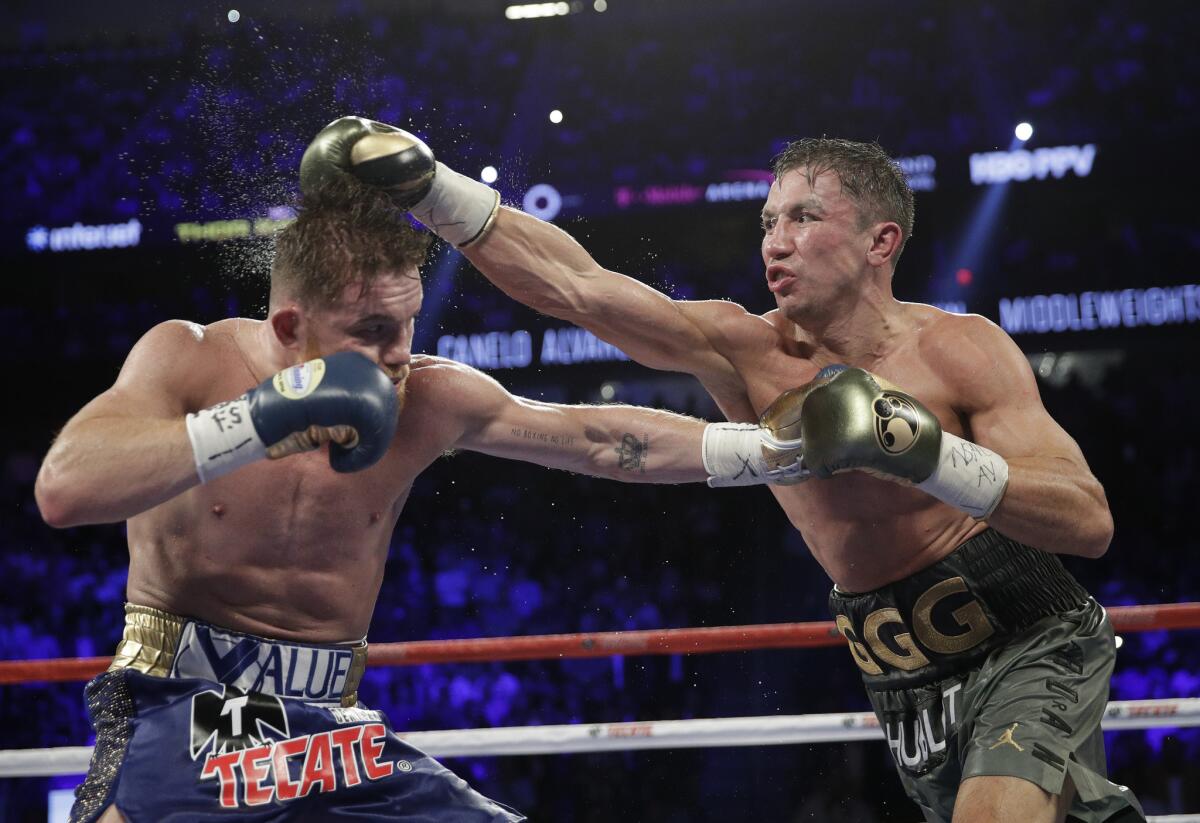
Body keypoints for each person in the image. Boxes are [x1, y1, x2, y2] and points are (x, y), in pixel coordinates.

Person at [307, 117, 1147, 823]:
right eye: (767, 221)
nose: (776, 244)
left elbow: (1087, 519)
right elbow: (578, 287)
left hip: (1026, 631)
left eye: (805, 219)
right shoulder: (741, 347)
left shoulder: (962, 349)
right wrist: (431, 190)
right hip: (904, 672)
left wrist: (928, 452)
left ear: (879, 242)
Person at [33, 175, 809, 821]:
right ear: (290, 325)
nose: (399, 355)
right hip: (185, 705)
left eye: (406, 324)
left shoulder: (429, 395)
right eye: (371, 329)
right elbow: (66, 486)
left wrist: (771, 450)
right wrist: (260, 421)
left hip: (332, 727)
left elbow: (594, 437)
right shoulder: (189, 358)